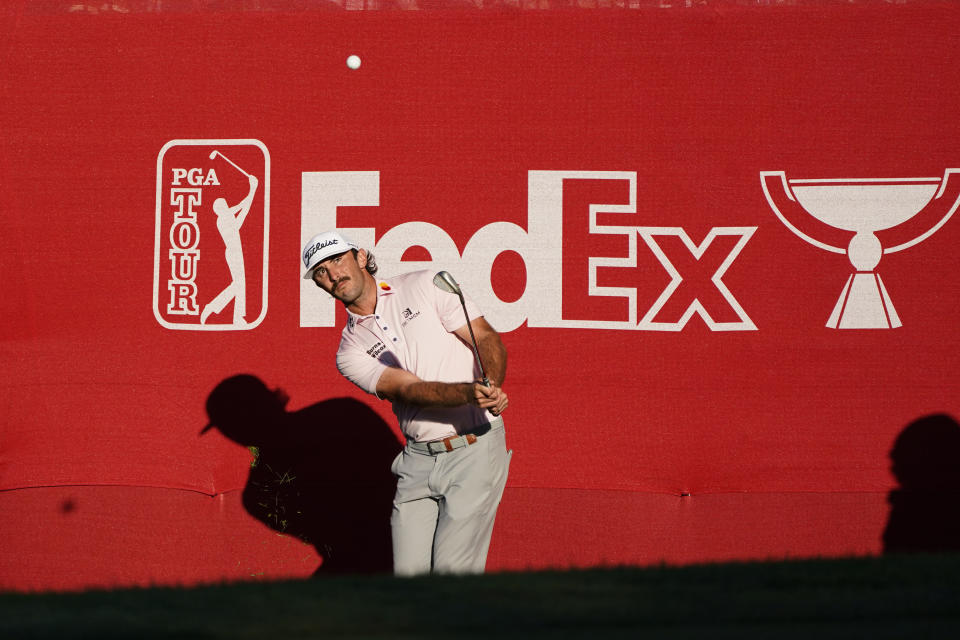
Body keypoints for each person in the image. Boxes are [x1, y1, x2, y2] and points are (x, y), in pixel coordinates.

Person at [301, 230, 512, 576]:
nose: (334, 274)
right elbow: (409, 389)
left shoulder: (426, 284)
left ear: (361, 257)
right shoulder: (349, 351)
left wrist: (492, 383)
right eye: (321, 272)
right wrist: (469, 392)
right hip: (416, 463)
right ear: (319, 286)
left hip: (474, 446)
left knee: (450, 574)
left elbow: (485, 336)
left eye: (338, 260)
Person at [201, 173, 258, 325]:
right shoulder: (223, 220)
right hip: (233, 253)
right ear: (220, 210)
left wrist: (252, 189)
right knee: (239, 284)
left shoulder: (226, 216)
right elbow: (242, 211)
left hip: (235, 252)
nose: (228, 206)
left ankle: (236, 317)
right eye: (224, 205)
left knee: (240, 284)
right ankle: (214, 307)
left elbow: (240, 206)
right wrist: (253, 189)